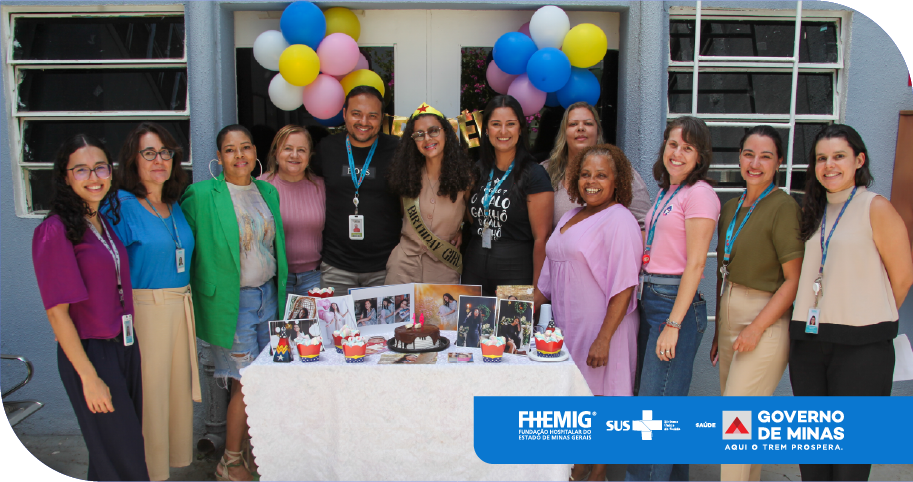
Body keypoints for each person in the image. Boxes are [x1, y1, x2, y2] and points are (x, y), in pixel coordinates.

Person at [789, 124, 913, 482]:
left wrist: (868, 315)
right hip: (808, 344)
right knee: (813, 457)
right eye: (821, 158)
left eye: (839, 156)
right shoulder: (812, 210)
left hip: (862, 348)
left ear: (858, 160)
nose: (829, 165)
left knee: (850, 461)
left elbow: (902, 278)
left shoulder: (875, 207)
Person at [32, 134, 149, 480]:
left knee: (111, 456)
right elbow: (57, 313)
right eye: (81, 170)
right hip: (91, 353)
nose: (93, 177)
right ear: (65, 176)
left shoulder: (102, 223)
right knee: (125, 461)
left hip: (125, 346)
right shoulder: (55, 231)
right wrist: (89, 377)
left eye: (99, 167)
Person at [181, 124, 288, 482]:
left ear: (256, 153)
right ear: (219, 157)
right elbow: (184, 243)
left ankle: (252, 452)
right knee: (246, 383)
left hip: (268, 296)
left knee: (266, 379)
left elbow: (272, 246)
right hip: (233, 300)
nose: (239, 155)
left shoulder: (267, 192)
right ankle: (229, 460)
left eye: (245, 148)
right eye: (230, 149)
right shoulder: (201, 195)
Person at [535, 144, 642, 482]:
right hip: (570, 330)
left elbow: (625, 285)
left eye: (601, 175)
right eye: (585, 174)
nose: (591, 181)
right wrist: (511, 314)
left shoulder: (620, 219)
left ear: (616, 181)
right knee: (578, 408)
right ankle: (578, 470)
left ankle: (596, 474)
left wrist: (604, 338)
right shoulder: (569, 216)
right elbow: (546, 282)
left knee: (603, 408)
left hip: (605, 329)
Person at [102, 122, 199, 481]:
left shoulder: (173, 204)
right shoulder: (120, 206)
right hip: (144, 312)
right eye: (149, 152)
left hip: (178, 308)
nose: (159, 160)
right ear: (132, 159)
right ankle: (145, 473)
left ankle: (164, 471)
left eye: (165, 152)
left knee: (174, 399)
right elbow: (106, 267)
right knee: (150, 400)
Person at [707, 126, 804, 482]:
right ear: (739, 158)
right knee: (745, 426)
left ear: (779, 162)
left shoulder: (783, 206)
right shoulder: (731, 206)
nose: (755, 163)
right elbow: (723, 269)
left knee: (735, 421)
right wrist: (720, 328)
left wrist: (756, 328)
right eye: (749, 153)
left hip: (764, 320)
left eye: (766, 155)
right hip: (731, 313)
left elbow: (793, 280)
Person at [628, 117, 720, 482]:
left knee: (654, 416)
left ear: (700, 156)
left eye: (687, 147)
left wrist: (673, 324)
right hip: (652, 296)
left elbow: (696, 264)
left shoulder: (700, 194)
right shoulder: (668, 191)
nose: (677, 153)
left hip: (673, 304)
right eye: (672, 144)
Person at [310, 86, 400, 293]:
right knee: (335, 326)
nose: (364, 122)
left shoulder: (398, 150)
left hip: (385, 268)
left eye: (372, 116)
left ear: (382, 118)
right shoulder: (326, 148)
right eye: (356, 114)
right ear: (344, 114)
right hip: (336, 267)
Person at [462, 95, 554, 296]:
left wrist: (538, 291)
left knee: (510, 328)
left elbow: (542, 238)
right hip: (474, 269)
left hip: (515, 272)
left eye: (510, 124)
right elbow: (470, 217)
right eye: (496, 124)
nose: (503, 131)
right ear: (486, 130)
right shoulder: (477, 171)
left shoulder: (534, 175)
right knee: (472, 328)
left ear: (520, 128)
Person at [385, 103, 474, 284]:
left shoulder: (466, 177)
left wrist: (459, 229)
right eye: (419, 134)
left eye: (433, 131)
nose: (427, 138)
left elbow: (471, 217)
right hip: (403, 267)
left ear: (446, 133)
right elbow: (402, 213)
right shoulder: (406, 175)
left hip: (444, 267)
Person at [542, 101, 651, 230]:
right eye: (573, 124)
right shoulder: (545, 171)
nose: (580, 128)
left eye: (588, 123)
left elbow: (644, 225)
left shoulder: (619, 169)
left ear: (598, 131)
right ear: (564, 133)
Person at [258, 125, 325, 296]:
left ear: (309, 156)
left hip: (314, 278)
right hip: (274, 279)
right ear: (275, 152)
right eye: (288, 149)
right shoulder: (260, 186)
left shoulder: (321, 187)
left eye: (301, 150)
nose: (294, 155)